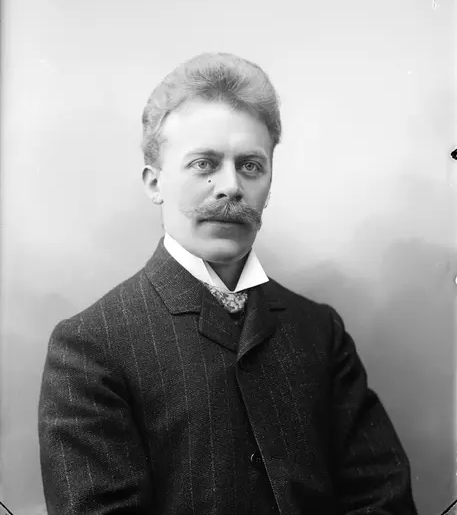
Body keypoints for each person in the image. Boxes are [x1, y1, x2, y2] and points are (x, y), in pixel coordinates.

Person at [38, 52, 418, 514]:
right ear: (154, 183)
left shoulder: (320, 330)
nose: (231, 187)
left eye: (251, 166)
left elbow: (382, 497)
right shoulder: (91, 345)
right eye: (204, 164)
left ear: (269, 182)